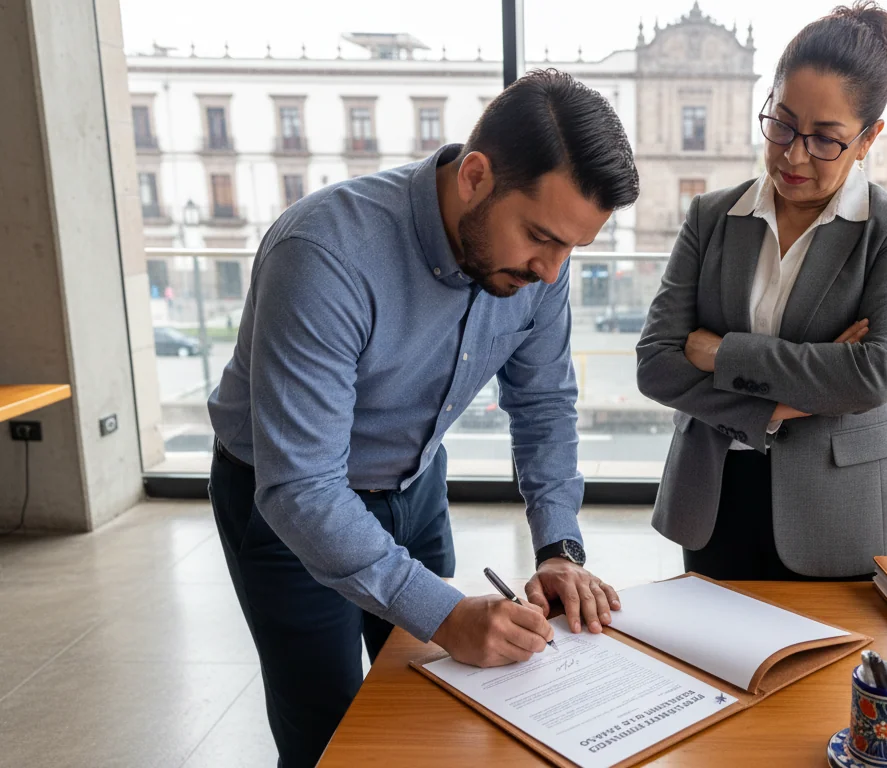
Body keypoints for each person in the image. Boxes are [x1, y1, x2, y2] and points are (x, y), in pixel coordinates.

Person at [206, 70, 637, 768]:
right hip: (282, 505)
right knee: (329, 730)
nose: (553, 272)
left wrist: (559, 547)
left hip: (414, 488)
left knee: (430, 705)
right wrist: (444, 611)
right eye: (540, 237)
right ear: (474, 176)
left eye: (571, 250)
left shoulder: (537, 271)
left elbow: (544, 405)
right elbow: (304, 488)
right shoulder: (323, 253)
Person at [636, 1, 887, 580]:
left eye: (826, 139)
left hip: (840, 507)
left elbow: (873, 376)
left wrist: (718, 352)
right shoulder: (711, 214)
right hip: (713, 496)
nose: (794, 155)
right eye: (782, 125)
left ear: (869, 138)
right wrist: (784, 403)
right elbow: (656, 365)